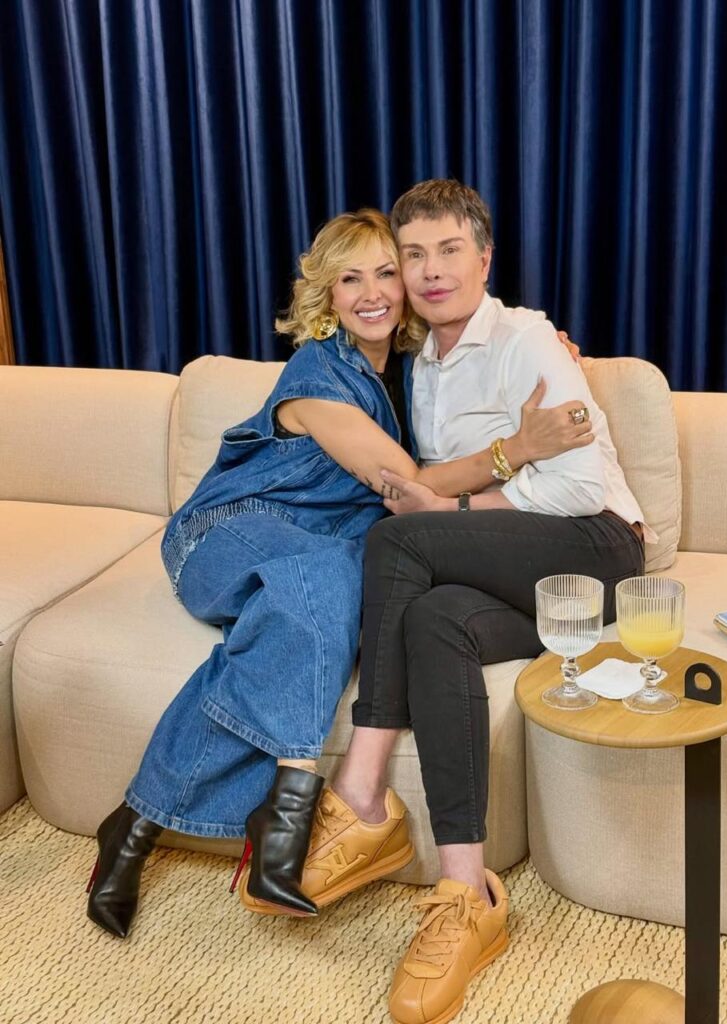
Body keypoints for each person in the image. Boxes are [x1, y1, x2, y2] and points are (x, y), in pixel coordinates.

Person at [85, 207, 589, 939]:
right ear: (328, 294)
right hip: (228, 534)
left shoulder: (415, 372)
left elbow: (500, 348)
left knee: (324, 595)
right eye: (351, 279)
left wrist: (553, 354)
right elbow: (406, 481)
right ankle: (287, 810)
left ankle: (134, 824)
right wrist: (519, 448)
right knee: (328, 579)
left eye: (387, 272)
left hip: (320, 552)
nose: (373, 293)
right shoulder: (317, 373)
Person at [240, 180, 650, 1024]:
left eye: (449, 251)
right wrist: (463, 488)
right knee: (433, 619)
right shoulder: (416, 361)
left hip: (598, 552)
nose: (429, 271)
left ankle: (360, 796)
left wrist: (450, 510)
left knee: (400, 541)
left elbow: (578, 490)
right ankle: (468, 895)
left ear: (484, 259)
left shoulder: (527, 340)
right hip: (524, 581)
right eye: (413, 255)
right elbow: (403, 466)